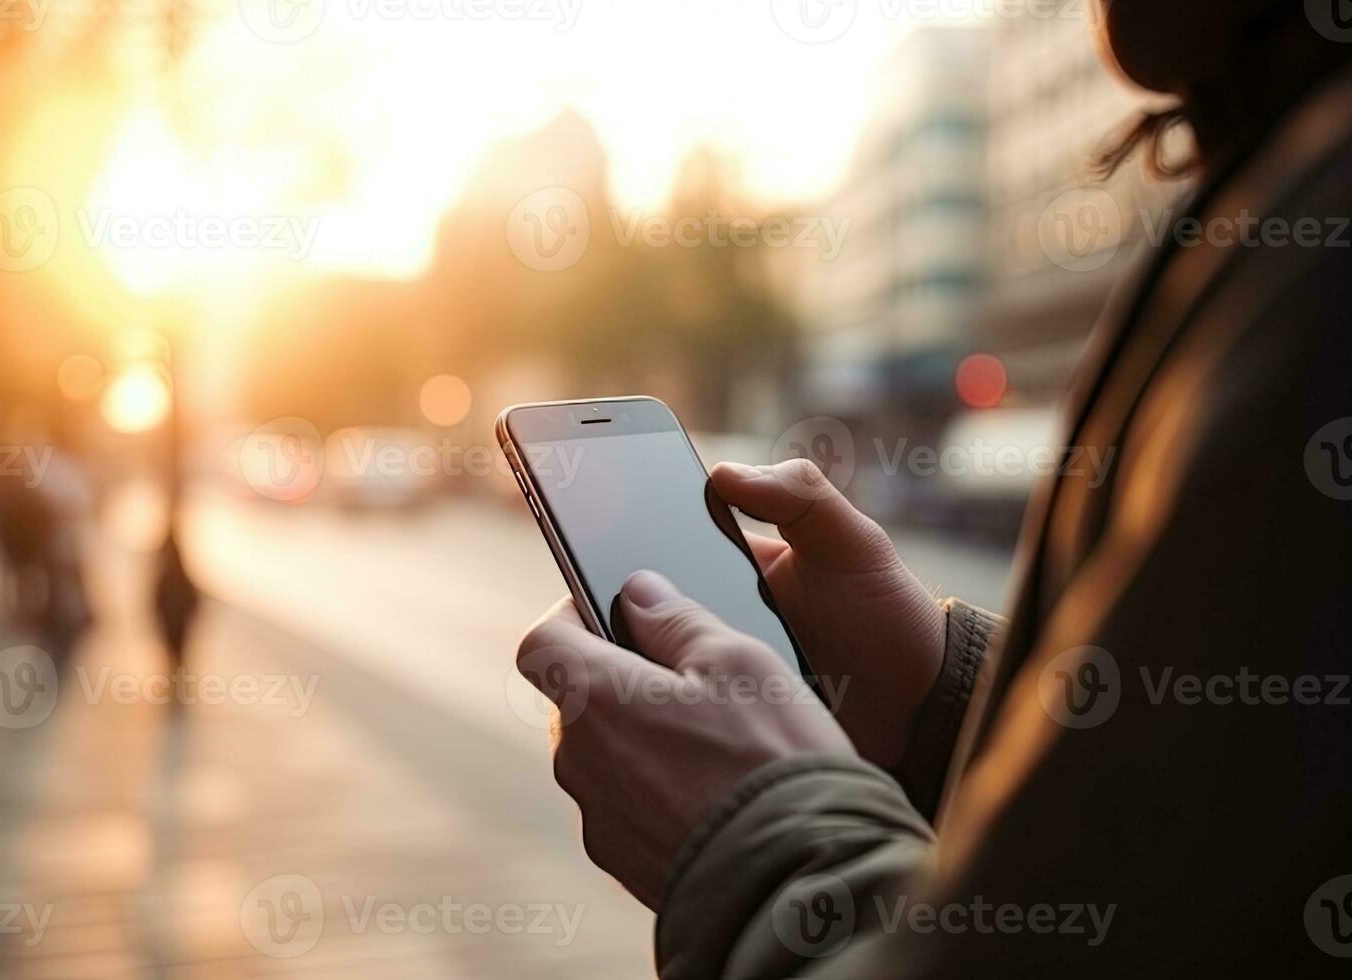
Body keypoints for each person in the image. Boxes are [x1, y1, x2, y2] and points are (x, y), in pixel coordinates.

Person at [515, 2, 1352, 975]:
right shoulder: (1287, 150)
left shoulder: (1321, 227)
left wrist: (753, 837)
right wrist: (939, 694)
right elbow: (1222, 815)